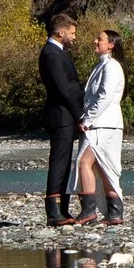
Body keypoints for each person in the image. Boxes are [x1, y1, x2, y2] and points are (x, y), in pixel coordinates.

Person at [67, 26, 126, 226]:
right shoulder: (100, 66)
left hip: (104, 125)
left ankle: (89, 211)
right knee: (103, 167)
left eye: (99, 39)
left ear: (111, 45)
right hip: (103, 124)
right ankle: (114, 213)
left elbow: (105, 97)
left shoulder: (112, 67)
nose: (95, 41)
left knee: (84, 163)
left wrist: (87, 119)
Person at [38, 13, 84, 227]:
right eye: (72, 33)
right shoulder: (51, 54)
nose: (74, 37)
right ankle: (54, 212)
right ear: (60, 32)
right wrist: (79, 113)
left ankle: (62, 208)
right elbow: (64, 89)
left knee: (65, 162)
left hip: (65, 115)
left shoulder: (57, 53)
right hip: (61, 115)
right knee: (59, 162)